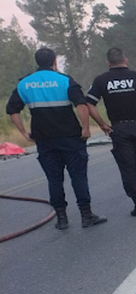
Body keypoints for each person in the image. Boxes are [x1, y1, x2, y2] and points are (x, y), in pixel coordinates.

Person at [5, 47, 107, 230]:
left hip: (44, 140)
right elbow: (81, 105)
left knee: (54, 179)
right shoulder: (65, 80)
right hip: (70, 137)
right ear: (54, 62)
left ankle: (61, 219)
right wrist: (85, 128)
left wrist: (24, 133)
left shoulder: (24, 84)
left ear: (37, 62)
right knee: (78, 176)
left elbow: (12, 110)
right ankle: (86, 215)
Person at [86, 47, 136, 217]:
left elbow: (89, 103)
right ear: (126, 60)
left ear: (108, 63)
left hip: (119, 128)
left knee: (128, 168)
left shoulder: (101, 80)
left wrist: (101, 124)